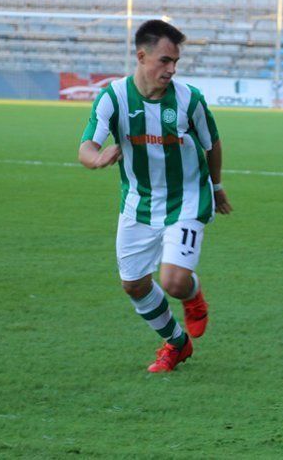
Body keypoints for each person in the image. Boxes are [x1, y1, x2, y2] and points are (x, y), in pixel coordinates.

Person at [78, 19, 232, 373]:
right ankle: (177, 344)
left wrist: (218, 186)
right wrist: (96, 158)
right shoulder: (113, 98)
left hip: (186, 200)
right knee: (133, 285)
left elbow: (212, 143)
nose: (171, 69)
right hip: (138, 202)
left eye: (175, 62)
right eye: (165, 60)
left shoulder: (189, 99)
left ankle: (192, 295)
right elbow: (86, 145)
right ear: (142, 56)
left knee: (174, 281)